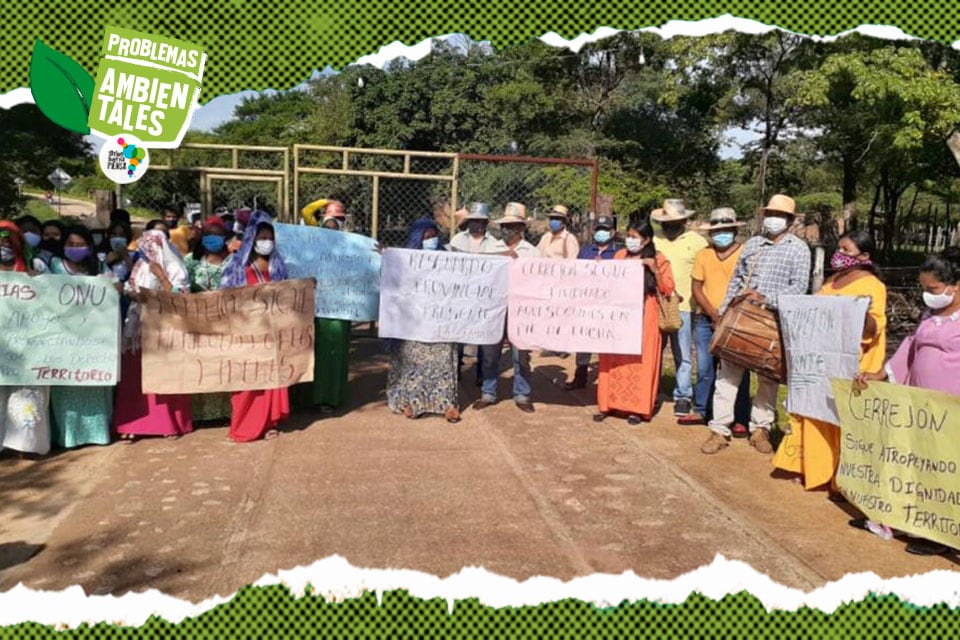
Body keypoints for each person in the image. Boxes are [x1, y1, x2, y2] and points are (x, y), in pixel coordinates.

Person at [850, 251, 960, 556]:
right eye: (924, 288)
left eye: (934, 289)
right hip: (921, 406)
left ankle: (942, 533)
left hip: (951, 409)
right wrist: (881, 373)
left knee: (946, 469)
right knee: (914, 462)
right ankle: (902, 517)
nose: (928, 295)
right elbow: (910, 346)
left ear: (956, 286)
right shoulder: (929, 315)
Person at [772, 229, 886, 494]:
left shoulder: (873, 286)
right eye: (840, 249)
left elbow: (874, 328)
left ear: (865, 256)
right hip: (822, 362)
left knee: (843, 420)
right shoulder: (832, 281)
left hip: (855, 364)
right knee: (817, 414)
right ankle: (814, 469)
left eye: (847, 250)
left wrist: (858, 311)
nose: (840, 255)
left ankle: (842, 478)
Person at [701, 194, 811, 455]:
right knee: (726, 377)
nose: (774, 219)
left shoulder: (799, 249)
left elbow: (799, 287)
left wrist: (766, 298)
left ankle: (760, 429)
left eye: (780, 215)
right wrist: (723, 314)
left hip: (773, 321)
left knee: (767, 380)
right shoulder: (753, 244)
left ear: (789, 220)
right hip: (741, 319)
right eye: (771, 214)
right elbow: (736, 282)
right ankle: (719, 430)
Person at [113, 230, 194, 442]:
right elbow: (131, 287)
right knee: (134, 377)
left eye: (152, 245)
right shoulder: (141, 265)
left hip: (164, 328)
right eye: (144, 245)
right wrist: (132, 293)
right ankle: (132, 424)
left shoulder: (175, 266)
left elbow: (181, 296)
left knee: (162, 376)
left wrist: (160, 276)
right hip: (137, 326)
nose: (148, 249)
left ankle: (167, 424)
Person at [595, 221, 676, 424]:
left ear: (646, 239)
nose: (630, 240)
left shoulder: (659, 259)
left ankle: (637, 409)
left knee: (641, 359)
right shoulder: (620, 256)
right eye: (628, 236)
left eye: (635, 237)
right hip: (620, 315)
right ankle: (609, 404)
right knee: (614, 357)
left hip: (645, 314)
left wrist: (655, 270)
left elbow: (668, 289)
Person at [220, 211, 291, 442]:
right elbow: (225, 296)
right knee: (246, 381)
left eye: (270, 237)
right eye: (261, 237)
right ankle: (241, 423)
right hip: (245, 333)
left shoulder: (279, 267)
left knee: (270, 379)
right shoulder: (237, 266)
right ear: (251, 238)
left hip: (272, 333)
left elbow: (290, 295)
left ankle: (270, 422)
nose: (266, 242)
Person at [385, 218, 462, 423]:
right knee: (414, 363)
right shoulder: (405, 260)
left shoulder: (450, 258)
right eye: (426, 237)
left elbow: (473, 269)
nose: (431, 240)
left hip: (440, 323)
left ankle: (448, 405)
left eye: (434, 235)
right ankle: (412, 403)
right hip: (414, 324)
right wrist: (387, 258)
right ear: (417, 238)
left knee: (444, 361)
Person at [48, 225, 115, 449]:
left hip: (92, 342)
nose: (75, 249)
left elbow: (112, 292)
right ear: (63, 245)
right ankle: (68, 437)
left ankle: (97, 434)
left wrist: (116, 287)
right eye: (71, 244)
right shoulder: (54, 266)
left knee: (93, 385)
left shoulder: (98, 266)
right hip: (62, 340)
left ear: (89, 246)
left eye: (80, 245)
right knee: (65, 389)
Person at [687, 208, 752, 431]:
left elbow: (748, 286)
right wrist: (713, 314)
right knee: (705, 367)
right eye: (717, 230)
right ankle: (702, 409)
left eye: (726, 230)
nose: (721, 234)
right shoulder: (704, 254)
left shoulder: (746, 253)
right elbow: (697, 287)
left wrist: (727, 316)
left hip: (737, 320)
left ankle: (740, 418)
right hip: (706, 319)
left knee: (738, 370)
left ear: (734, 230)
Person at [474, 203, 541, 413]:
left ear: (521, 228)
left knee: (520, 354)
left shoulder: (532, 252)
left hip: (521, 309)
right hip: (494, 307)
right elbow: (478, 270)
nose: (506, 230)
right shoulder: (490, 248)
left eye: (511, 226)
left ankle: (522, 394)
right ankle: (488, 392)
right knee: (490, 352)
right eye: (504, 226)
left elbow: (538, 281)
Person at [289, 210, 353, 414]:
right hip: (312, 311)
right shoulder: (309, 251)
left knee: (333, 354)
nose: (330, 233)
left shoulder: (350, 252)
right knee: (308, 352)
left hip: (337, 312)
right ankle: (305, 398)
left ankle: (329, 397)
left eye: (335, 230)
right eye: (326, 229)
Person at [651, 199, 708, 419]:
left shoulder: (697, 242)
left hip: (684, 306)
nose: (670, 225)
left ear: (684, 221)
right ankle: (652, 389)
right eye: (667, 221)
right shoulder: (656, 240)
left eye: (675, 221)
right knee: (654, 350)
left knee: (682, 353)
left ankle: (682, 395)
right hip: (656, 304)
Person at [0, 221, 52, 456]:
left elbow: (57, 297)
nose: (4, 245)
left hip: (29, 344)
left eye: (9, 240)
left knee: (27, 394)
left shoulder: (36, 266)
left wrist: (39, 281)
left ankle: (25, 445)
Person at [184, 216, 235, 425]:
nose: (213, 239)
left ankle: (226, 411)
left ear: (225, 238)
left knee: (225, 364)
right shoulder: (190, 260)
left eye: (217, 235)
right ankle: (200, 413)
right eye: (208, 235)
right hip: (198, 323)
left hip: (227, 321)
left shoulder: (234, 261)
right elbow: (181, 286)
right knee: (201, 365)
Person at [565, 214, 620, 390]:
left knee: (609, 340)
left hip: (610, 305)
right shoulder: (585, 251)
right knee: (583, 339)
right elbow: (576, 275)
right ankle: (580, 375)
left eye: (604, 230)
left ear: (613, 232)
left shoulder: (619, 253)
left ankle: (610, 379)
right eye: (598, 230)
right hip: (587, 304)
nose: (601, 233)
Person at [449, 203, 498, 385]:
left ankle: (481, 374)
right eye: (474, 221)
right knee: (458, 336)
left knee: (483, 338)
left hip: (485, 298)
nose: (477, 225)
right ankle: (455, 372)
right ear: (468, 222)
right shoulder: (457, 240)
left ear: (486, 223)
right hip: (461, 296)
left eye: (480, 221)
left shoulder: (494, 244)